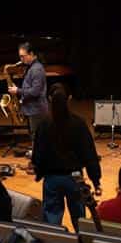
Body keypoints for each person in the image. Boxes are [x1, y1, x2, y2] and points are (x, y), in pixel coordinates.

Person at [32, 84, 102, 226]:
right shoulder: (79, 124)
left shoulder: (44, 125)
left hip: (51, 179)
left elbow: (38, 154)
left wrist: (38, 172)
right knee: (80, 221)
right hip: (75, 180)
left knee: (52, 222)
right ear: (69, 99)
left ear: (49, 99)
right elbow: (89, 155)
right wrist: (96, 181)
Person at [8, 41, 48, 134]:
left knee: (37, 137)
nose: (21, 59)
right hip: (32, 109)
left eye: (23, 56)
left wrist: (18, 90)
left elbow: (35, 92)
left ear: (31, 54)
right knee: (33, 136)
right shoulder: (31, 67)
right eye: (20, 56)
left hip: (37, 110)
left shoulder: (37, 69)